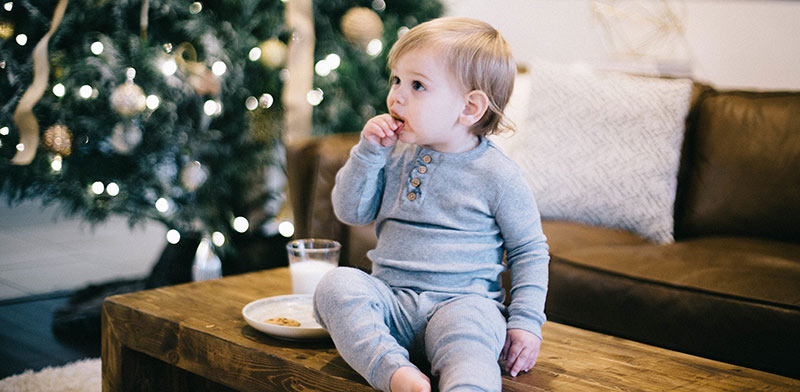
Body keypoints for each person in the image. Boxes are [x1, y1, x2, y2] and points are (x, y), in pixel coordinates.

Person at [313, 16, 549, 392]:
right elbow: (350, 211)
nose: (396, 96)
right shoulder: (391, 154)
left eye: (417, 85)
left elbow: (529, 251)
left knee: (471, 341)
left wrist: (525, 322)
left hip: (462, 307)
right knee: (334, 286)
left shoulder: (497, 174)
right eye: (396, 80)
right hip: (390, 302)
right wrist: (367, 154)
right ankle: (394, 372)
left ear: (470, 108)